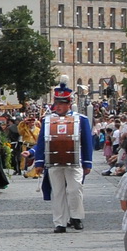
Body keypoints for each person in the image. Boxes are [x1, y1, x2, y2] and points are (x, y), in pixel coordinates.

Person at [33, 85, 93, 233]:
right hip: (54, 161)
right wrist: (39, 161)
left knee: (74, 189)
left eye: (62, 103)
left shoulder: (80, 119)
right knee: (57, 192)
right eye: (57, 103)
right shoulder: (48, 120)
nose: (58, 106)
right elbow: (42, 142)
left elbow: (87, 142)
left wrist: (87, 162)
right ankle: (60, 222)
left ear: (69, 103)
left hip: (75, 161)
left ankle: (76, 217)